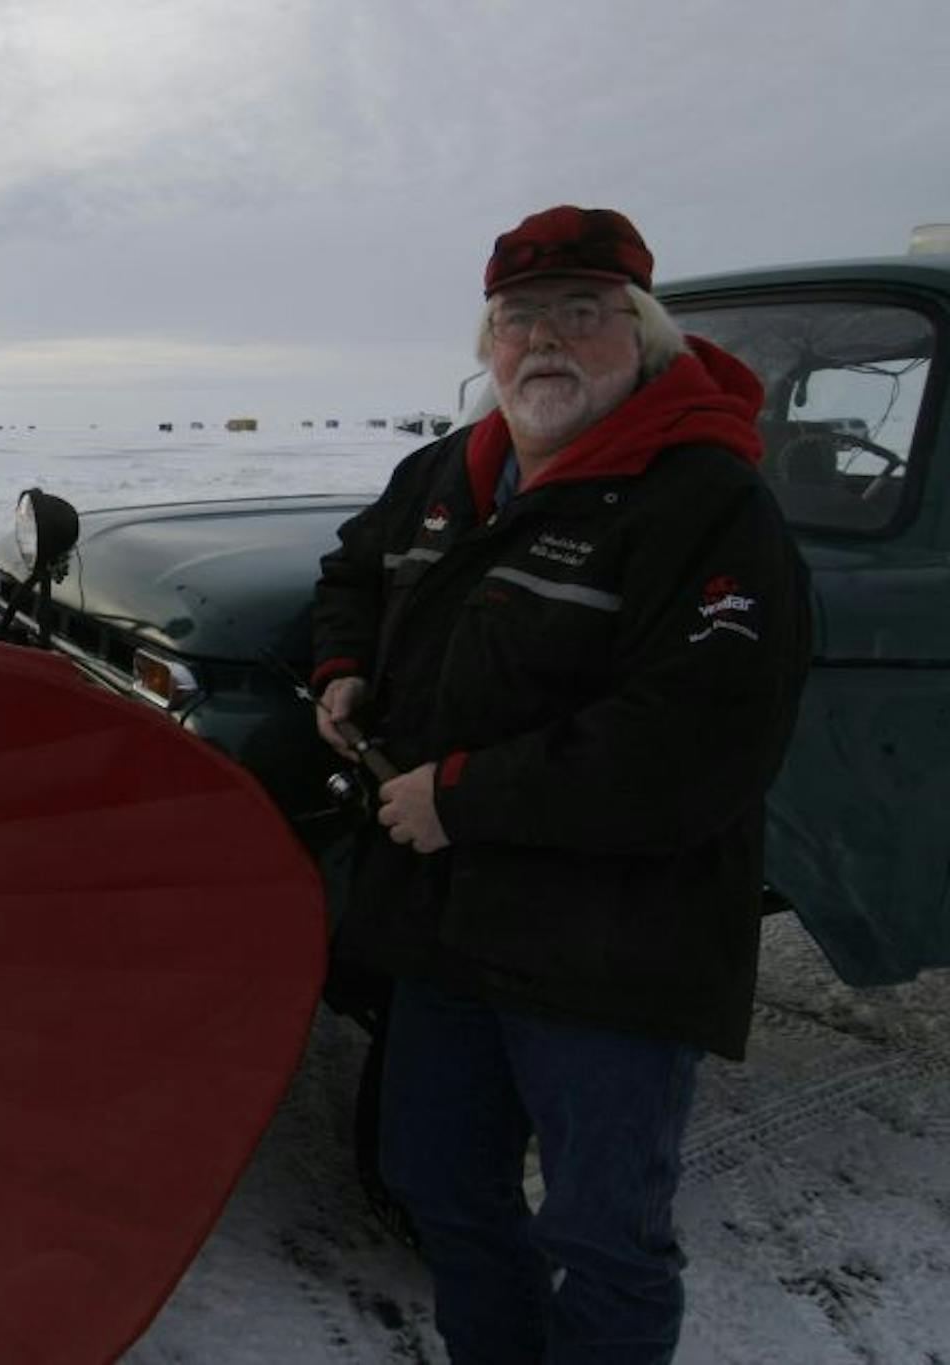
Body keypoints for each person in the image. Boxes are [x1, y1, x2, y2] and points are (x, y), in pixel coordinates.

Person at [309, 205, 811, 1363]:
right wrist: (342, 666)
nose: (545, 341)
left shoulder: (708, 505)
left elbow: (698, 745)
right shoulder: (449, 474)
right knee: (436, 1180)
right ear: (488, 345)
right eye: (518, 319)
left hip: (611, 946)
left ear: (643, 335)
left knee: (605, 1234)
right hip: (449, 931)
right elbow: (352, 566)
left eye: (582, 314)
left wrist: (461, 798)